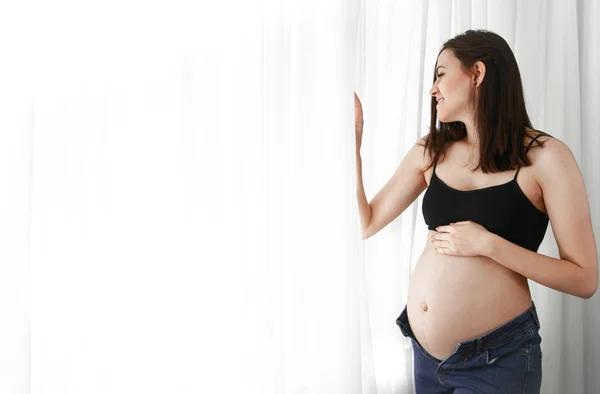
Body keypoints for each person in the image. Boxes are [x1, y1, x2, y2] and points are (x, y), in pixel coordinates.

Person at [354, 29, 598, 393]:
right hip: (425, 359)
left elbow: (584, 279)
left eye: (440, 74)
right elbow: (367, 222)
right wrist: (352, 147)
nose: (432, 89)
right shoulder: (432, 151)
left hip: (497, 362)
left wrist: (489, 245)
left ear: (478, 74)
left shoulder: (547, 158)